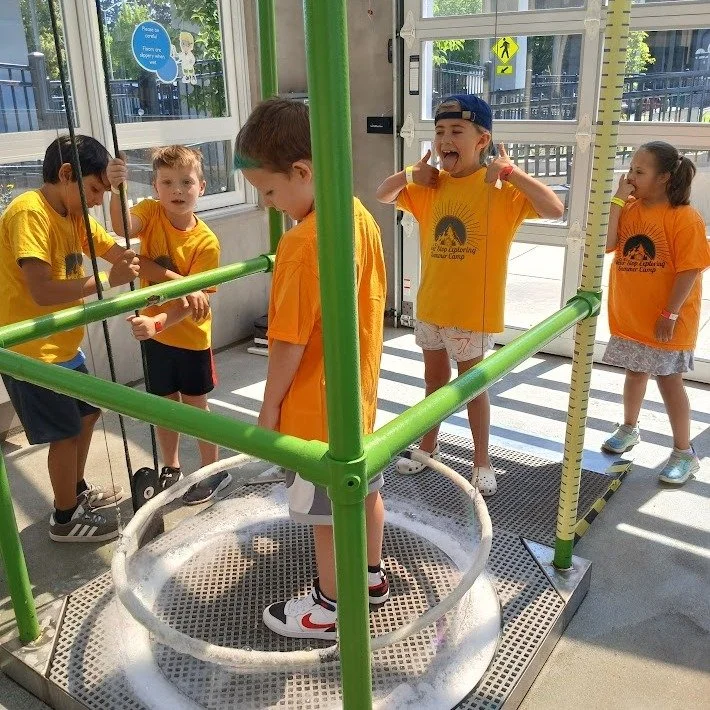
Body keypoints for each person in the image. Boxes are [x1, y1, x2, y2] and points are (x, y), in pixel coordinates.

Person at [234, 97, 388, 640]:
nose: (270, 206)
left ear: (302, 171)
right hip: (357, 395)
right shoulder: (359, 215)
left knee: (325, 514)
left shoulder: (302, 244)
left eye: (270, 192)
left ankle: (329, 607)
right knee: (366, 490)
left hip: (313, 408)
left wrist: (269, 406)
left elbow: (287, 342)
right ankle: (368, 577)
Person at [376, 94, 563, 496]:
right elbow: (382, 194)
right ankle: (429, 447)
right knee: (433, 384)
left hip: (471, 314)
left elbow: (554, 209)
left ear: (482, 139)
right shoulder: (430, 185)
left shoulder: (499, 187)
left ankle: (482, 460)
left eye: (456, 131)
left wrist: (511, 173)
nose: (445, 139)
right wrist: (411, 174)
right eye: (440, 131)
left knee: (473, 388)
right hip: (430, 307)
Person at [0, 134, 140, 542]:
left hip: (62, 345)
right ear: (66, 175)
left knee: (86, 414)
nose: (97, 199)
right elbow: (41, 290)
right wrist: (101, 283)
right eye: (94, 189)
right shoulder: (30, 212)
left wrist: (121, 203)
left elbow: (115, 249)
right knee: (62, 434)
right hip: (30, 351)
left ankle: (73, 493)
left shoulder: (75, 214)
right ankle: (64, 518)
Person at [107, 145, 229, 505]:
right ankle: (172, 465)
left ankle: (212, 470)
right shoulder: (150, 213)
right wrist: (116, 190)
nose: (177, 190)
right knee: (163, 404)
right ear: (156, 188)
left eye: (186, 182)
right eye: (167, 182)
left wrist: (158, 320)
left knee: (195, 405)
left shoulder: (206, 242)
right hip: (156, 335)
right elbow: (121, 227)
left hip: (189, 339)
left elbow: (194, 304)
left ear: (201, 187)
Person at [601, 141, 710, 485]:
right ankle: (629, 427)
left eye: (638, 171)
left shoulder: (683, 217)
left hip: (667, 320)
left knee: (668, 381)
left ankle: (684, 452)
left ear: (664, 177)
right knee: (635, 373)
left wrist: (670, 313)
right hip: (632, 317)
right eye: (631, 169)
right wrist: (618, 200)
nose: (630, 176)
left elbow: (690, 270)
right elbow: (605, 244)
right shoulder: (630, 208)